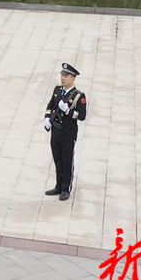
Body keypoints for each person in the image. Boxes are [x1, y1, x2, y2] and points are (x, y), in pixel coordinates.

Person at [44, 62, 87, 202]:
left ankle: (65, 188)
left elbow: (81, 116)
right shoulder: (57, 90)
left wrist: (68, 111)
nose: (63, 78)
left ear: (73, 78)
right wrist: (47, 118)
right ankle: (58, 185)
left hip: (68, 133)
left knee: (67, 160)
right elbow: (50, 105)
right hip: (56, 131)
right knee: (57, 159)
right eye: (62, 75)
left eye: (66, 75)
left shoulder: (79, 96)